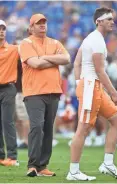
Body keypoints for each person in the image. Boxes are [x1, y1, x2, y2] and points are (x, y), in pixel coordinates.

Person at [66, 7, 117, 181]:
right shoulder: (97, 40)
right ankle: (73, 171)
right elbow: (100, 71)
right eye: (108, 18)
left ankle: (107, 163)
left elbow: (77, 62)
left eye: (112, 18)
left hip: (92, 86)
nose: (112, 21)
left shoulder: (92, 39)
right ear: (98, 21)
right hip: (92, 86)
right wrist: (114, 93)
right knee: (83, 129)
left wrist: (79, 83)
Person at [19, 14, 70, 177]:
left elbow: (67, 58)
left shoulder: (55, 42)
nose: (42, 25)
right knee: (36, 127)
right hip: (34, 93)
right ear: (31, 28)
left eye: (44, 23)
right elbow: (35, 63)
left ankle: (42, 166)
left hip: (53, 91)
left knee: (48, 130)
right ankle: (32, 165)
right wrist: (55, 60)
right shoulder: (26, 43)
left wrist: (45, 58)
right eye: (38, 23)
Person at [0, 20, 19, 166]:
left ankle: (12, 157)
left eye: (3, 29)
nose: (1, 31)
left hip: (8, 88)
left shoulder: (14, 49)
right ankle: (1, 156)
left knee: (7, 122)